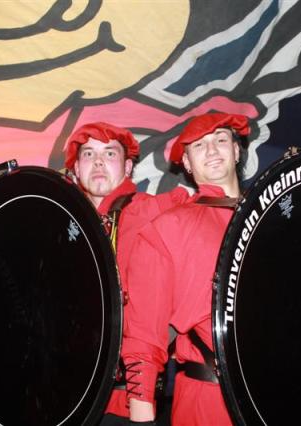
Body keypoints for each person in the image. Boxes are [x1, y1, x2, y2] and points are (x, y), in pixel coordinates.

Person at [120, 113, 250, 425]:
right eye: (199, 145)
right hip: (209, 402)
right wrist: (141, 415)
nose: (212, 150)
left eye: (221, 140)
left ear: (236, 151)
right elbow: (143, 333)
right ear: (188, 164)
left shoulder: (273, 216)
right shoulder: (168, 228)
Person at [64, 122, 188, 425]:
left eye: (109, 154)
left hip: (126, 402)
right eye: (88, 154)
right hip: (67, 399)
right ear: (76, 169)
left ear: (128, 166)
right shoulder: (62, 223)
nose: (98, 162)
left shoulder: (151, 212)